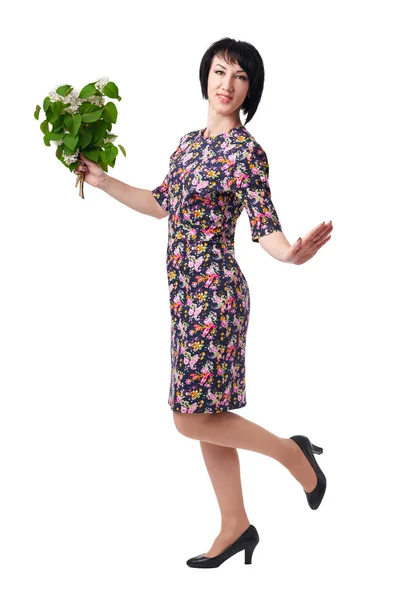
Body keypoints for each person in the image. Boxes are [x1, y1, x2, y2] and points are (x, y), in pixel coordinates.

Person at [74, 37, 333, 569]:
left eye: (240, 77)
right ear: (206, 77)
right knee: (205, 413)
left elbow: (265, 226)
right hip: (182, 296)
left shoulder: (247, 152)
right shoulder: (187, 145)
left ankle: (292, 453)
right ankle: (235, 524)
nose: (227, 84)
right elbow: (159, 202)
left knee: (188, 418)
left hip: (215, 296)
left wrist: (290, 256)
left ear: (249, 90)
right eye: (220, 72)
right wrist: (102, 182)